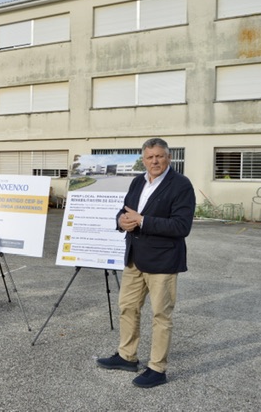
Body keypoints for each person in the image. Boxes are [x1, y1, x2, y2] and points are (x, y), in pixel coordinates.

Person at [96, 138, 196, 388]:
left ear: (169, 158)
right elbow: (125, 211)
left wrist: (143, 221)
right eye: (150, 157)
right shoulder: (138, 181)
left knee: (161, 315)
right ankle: (127, 356)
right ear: (143, 159)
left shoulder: (181, 185)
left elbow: (182, 226)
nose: (154, 161)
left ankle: (157, 368)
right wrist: (121, 222)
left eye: (160, 156)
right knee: (127, 307)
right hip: (134, 259)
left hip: (163, 261)